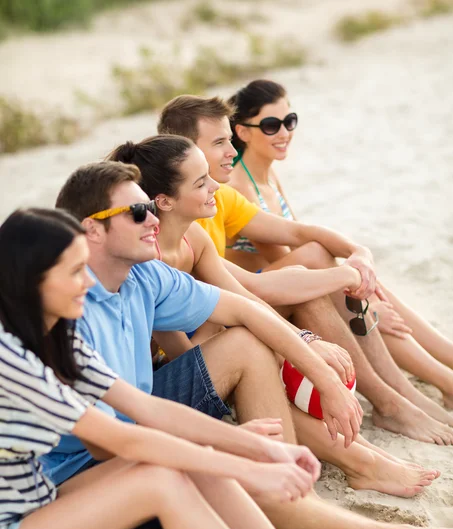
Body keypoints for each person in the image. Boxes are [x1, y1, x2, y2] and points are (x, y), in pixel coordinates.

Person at [48, 160, 453, 529]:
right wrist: (231, 445)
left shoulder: (143, 275)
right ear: (91, 229)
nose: (152, 220)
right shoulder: (64, 311)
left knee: (245, 341)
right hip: (82, 469)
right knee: (224, 470)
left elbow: (245, 309)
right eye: (138, 213)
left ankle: (297, 492)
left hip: (138, 416)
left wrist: (325, 379)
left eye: (151, 209)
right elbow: (107, 443)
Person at [0, 207, 354, 529]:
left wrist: (260, 447)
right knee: (164, 477)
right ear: (31, 282)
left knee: (188, 458)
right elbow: (122, 440)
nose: (88, 281)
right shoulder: (11, 360)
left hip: (37, 506)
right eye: (73, 272)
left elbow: (149, 410)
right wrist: (248, 470)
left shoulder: (57, 336)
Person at [107, 132, 439, 499]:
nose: (216, 185)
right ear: (164, 201)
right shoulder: (145, 259)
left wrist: (305, 344)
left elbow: (245, 298)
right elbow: (187, 359)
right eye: (202, 182)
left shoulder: (194, 241)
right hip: (156, 380)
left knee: (277, 326)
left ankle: (366, 439)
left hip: (204, 347)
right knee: (254, 354)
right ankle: (360, 460)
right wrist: (285, 355)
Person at [157, 93, 453, 443]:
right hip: (200, 341)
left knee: (321, 272)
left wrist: (360, 254)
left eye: (289, 121)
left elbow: (297, 233)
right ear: (184, 150)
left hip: (230, 312)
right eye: (221, 141)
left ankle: (402, 396)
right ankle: (398, 399)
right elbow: (251, 289)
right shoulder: (173, 219)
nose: (231, 151)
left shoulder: (216, 197)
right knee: (316, 274)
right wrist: (346, 279)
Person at [227, 78, 453, 413]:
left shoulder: (267, 173)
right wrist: (363, 304)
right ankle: (444, 381)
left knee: (366, 288)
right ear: (243, 131)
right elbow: (295, 262)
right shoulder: (238, 183)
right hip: (261, 297)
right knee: (357, 297)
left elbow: (299, 248)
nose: (285, 133)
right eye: (272, 125)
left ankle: (448, 367)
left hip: (290, 280)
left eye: (289, 122)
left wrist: (361, 284)